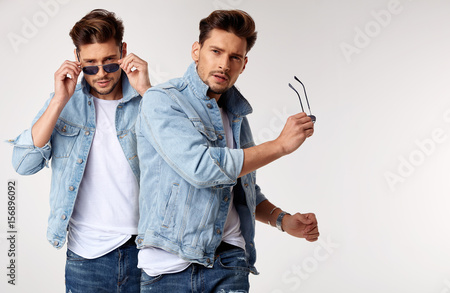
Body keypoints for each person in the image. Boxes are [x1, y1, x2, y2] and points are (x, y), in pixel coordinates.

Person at [136, 9, 319, 292]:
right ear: (196, 51)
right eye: (216, 51)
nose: (224, 64)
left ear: (244, 64)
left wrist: (283, 220)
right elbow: (203, 169)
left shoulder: (235, 114)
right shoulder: (162, 101)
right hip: (168, 269)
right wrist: (280, 145)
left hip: (229, 262)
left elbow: (243, 188)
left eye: (234, 57)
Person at [9, 9, 151, 293]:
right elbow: (24, 164)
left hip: (146, 253)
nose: (101, 74)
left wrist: (148, 91)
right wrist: (59, 100)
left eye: (110, 63)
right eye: (90, 65)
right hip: (86, 259)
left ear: (123, 51)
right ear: (77, 59)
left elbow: (184, 158)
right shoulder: (65, 105)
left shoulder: (148, 101)